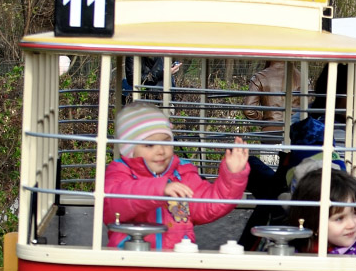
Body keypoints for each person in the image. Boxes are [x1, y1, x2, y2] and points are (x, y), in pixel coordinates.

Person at [104, 102, 249, 249]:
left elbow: (209, 204)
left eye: (166, 142)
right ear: (129, 149)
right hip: (129, 259)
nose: (161, 151)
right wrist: (159, 189)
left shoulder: (183, 173)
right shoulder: (120, 171)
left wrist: (233, 175)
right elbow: (112, 204)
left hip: (176, 260)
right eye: (149, 145)